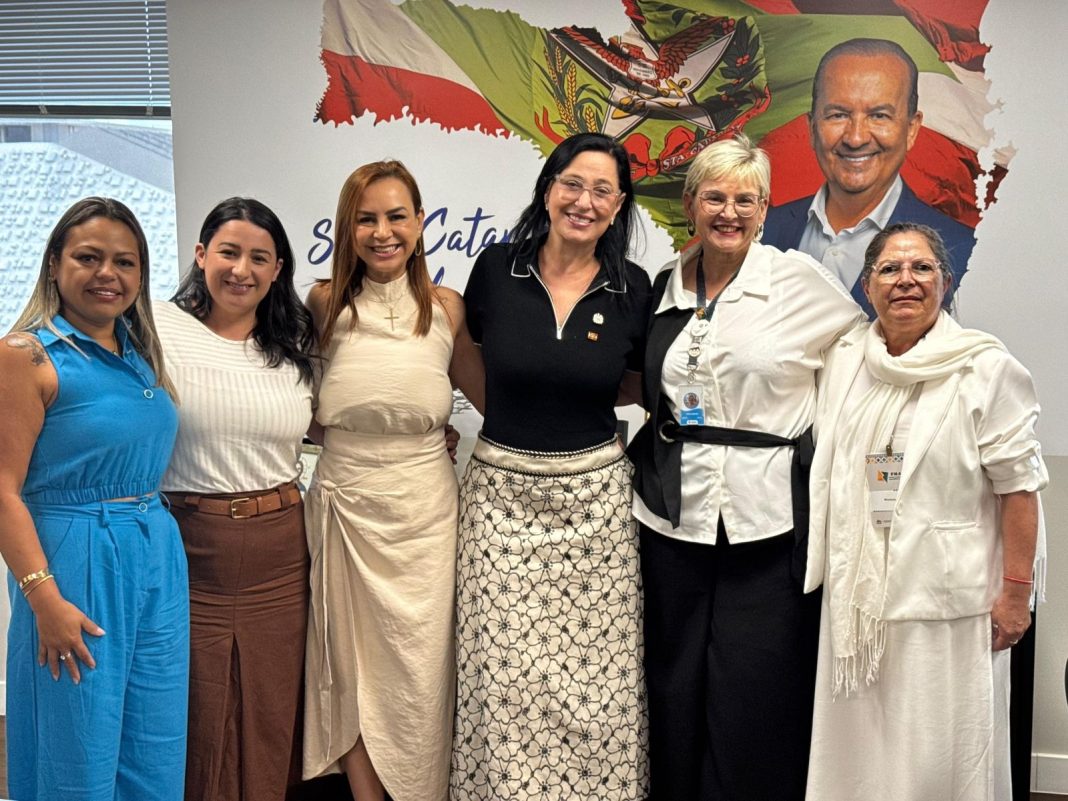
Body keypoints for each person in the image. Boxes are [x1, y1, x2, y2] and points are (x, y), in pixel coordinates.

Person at [627, 134, 864, 801]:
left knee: (755, 687)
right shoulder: (666, 283)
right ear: (690, 205)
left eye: (745, 200)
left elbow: (859, 350)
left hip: (768, 521)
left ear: (763, 210)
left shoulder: (796, 280)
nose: (728, 212)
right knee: (673, 678)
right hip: (672, 515)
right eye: (715, 197)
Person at [803, 222, 1047, 801]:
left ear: (947, 281)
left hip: (948, 603)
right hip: (859, 599)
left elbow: (1019, 489)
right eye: (889, 269)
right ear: (867, 287)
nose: (905, 280)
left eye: (921, 268)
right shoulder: (846, 361)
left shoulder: (986, 368)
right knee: (861, 755)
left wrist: (1017, 595)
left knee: (940, 753)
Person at [451, 132, 652, 801]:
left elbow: (636, 382)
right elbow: (466, 354)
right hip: (500, 505)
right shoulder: (495, 269)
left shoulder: (633, 288)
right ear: (547, 189)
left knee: (597, 690)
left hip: (597, 511)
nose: (584, 201)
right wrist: (513, 412)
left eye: (602, 190)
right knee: (503, 684)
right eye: (572, 183)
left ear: (618, 205)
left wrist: (571, 390)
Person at [302, 159, 483, 801]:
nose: (383, 232)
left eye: (396, 216)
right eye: (366, 219)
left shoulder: (447, 307)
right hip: (345, 502)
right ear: (346, 228)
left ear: (420, 221)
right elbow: (299, 404)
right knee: (349, 667)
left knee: (419, 669)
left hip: (425, 512)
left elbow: (489, 397)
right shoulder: (322, 302)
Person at [0, 197, 187, 801]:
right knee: (76, 742)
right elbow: (2, 490)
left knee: (153, 743)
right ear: (55, 264)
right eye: (88, 257)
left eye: (125, 262)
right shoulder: (25, 356)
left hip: (156, 554)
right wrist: (43, 598)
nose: (108, 273)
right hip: (76, 558)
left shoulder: (139, 354)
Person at [154, 197, 316, 801]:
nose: (241, 270)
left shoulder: (294, 345)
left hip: (281, 554)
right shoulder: (154, 328)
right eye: (228, 252)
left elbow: (324, 426)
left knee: (272, 711)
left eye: (259, 258)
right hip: (191, 550)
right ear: (201, 255)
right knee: (195, 712)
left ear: (278, 269)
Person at [762, 38, 975, 318]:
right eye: (838, 115)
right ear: (812, 128)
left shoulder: (965, 257)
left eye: (879, 116)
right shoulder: (759, 234)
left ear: (911, 129)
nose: (856, 138)